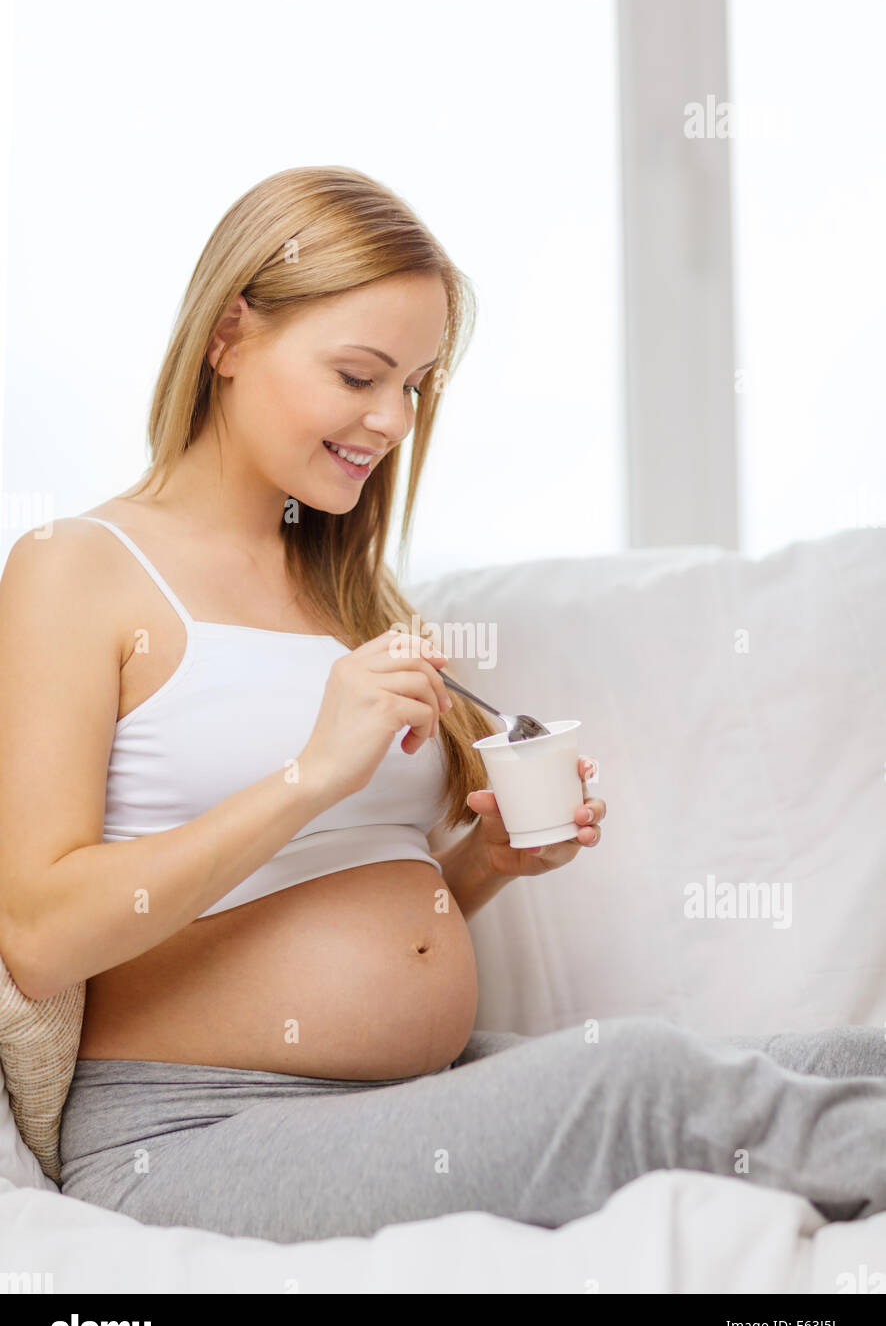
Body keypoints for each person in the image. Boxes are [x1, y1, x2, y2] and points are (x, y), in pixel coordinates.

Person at [1, 166, 885, 1247]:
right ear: (230, 334)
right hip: (195, 1128)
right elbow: (41, 937)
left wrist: (481, 863)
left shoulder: (344, 594)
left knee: (830, 1060)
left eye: (415, 384)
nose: (392, 420)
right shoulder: (77, 568)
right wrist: (310, 772)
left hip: (393, 1100)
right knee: (643, 1083)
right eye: (359, 374)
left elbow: (339, 899)